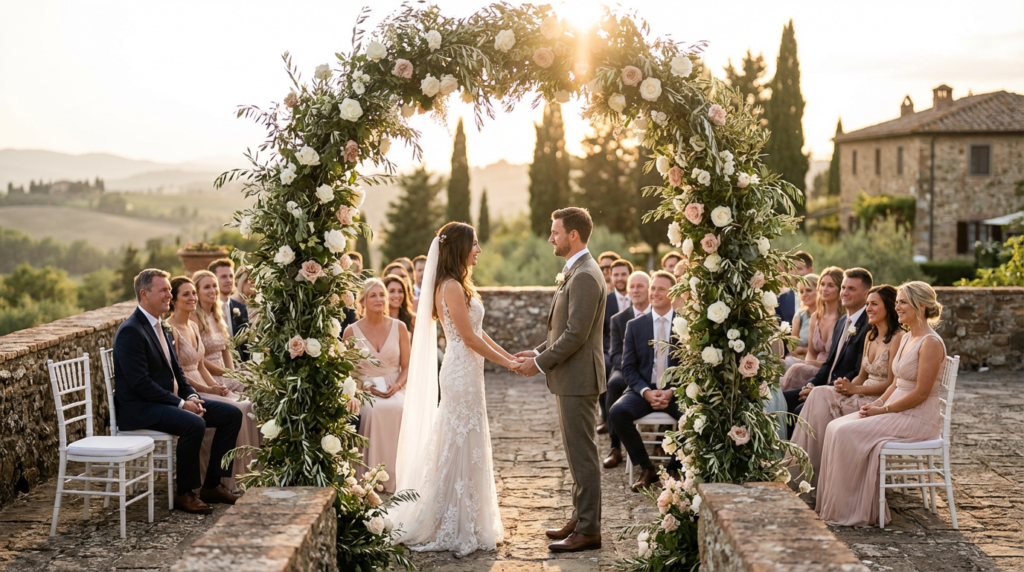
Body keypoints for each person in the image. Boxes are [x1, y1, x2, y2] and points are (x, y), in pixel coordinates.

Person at [391, 222, 516, 557]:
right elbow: (470, 338)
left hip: (470, 371)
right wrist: (507, 365)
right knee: (457, 440)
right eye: (474, 244)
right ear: (460, 247)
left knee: (469, 440)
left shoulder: (460, 284)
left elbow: (478, 331)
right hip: (460, 372)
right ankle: (447, 519)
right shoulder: (449, 287)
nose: (478, 249)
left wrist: (509, 356)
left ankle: (469, 518)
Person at [510, 208, 606, 552]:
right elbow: (561, 329)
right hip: (571, 377)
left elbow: (576, 335)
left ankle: (590, 530)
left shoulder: (584, 275)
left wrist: (538, 364)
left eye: (555, 232)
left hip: (579, 379)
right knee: (576, 452)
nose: (551, 238)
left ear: (573, 235)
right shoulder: (578, 270)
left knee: (583, 455)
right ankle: (581, 518)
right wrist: (534, 352)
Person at [816, 282, 946, 527]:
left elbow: (920, 393)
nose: (897, 307)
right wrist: (875, 404)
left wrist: (883, 410)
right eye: (896, 301)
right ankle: (834, 504)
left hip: (917, 417)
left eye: (902, 302)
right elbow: (895, 384)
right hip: (896, 407)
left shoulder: (930, 342)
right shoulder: (908, 337)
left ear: (922, 306)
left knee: (845, 432)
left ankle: (851, 509)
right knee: (835, 427)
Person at [112, 269, 241, 514]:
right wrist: (181, 405)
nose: (169, 295)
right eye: (163, 290)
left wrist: (191, 395)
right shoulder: (131, 331)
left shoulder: (164, 327)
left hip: (167, 401)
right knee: (193, 423)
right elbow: (141, 384)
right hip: (140, 408)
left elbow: (178, 373)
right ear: (144, 294)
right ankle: (184, 492)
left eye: (169, 290)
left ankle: (212, 485)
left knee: (231, 414)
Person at [789, 285, 903, 490]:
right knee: (819, 393)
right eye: (867, 304)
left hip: (878, 399)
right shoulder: (871, 335)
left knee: (819, 401)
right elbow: (861, 376)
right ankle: (806, 471)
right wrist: (846, 385)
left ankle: (822, 477)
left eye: (874, 304)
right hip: (859, 392)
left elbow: (890, 384)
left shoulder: (898, 337)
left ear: (889, 307)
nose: (868, 308)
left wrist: (855, 390)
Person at [167, 276, 260, 491]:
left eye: (192, 293)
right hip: (188, 390)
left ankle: (247, 473)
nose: (192, 298)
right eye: (186, 294)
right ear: (174, 299)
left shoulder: (191, 325)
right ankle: (223, 480)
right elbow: (177, 372)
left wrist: (217, 387)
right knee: (240, 408)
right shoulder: (171, 328)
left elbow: (200, 365)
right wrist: (208, 389)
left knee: (249, 403)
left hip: (204, 383)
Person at [609, 271, 682, 492]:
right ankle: (647, 467)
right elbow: (628, 367)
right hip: (643, 389)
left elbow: (691, 368)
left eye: (661, 289)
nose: (655, 293)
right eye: (653, 288)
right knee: (616, 412)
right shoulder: (635, 325)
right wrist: (645, 392)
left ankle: (673, 468)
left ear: (673, 293)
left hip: (675, 392)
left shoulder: (685, 325)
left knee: (696, 416)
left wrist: (672, 391)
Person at [345, 278, 409, 494]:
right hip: (366, 390)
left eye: (382, 294)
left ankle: (401, 475)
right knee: (373, 410)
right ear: (362, 301)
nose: (380, 299)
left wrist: (397, 385)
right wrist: (362, 387)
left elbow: (408, 367)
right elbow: (346, 374)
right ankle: (371, 477)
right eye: (373, 295)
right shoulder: (350, 332)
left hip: (396, 387)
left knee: (401, 408)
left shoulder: (399, 327)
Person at [782, 268, 873, 417]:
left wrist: (821, 390)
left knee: (799, 410)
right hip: (824, 383)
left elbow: (857, 372)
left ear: (865, 294)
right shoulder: (842, 321)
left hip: (842, 389)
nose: (845, 293)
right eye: (844, 288)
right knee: (781, 399)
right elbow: (829, 364)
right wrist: (811, 384)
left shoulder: (868, 325)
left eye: (851, 289)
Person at [602, 271, 653, 469]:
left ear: (648, 289)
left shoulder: (657, 316)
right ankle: (615, 446)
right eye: (632, 287)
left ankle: (663, 445)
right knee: (614, 383)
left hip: (652, 373)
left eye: (640, 286)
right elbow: (614, 354)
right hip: (626, 370)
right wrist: (631, 369)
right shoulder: (618, 319)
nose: (635, 290)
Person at [780, 267, 843, 391]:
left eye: (830, 285)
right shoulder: (816, 317)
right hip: (812, 365)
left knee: (796, 368)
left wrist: (806, 364)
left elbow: (837, 360)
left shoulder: (843, 319)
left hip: (831, 369)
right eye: (822, 284)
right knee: (784, 365)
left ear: (840, 289)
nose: (824, 289)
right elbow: (811, 352)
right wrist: (808, 363)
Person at [191, 270, 246, 394]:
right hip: (208, 376)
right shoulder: (194, 318)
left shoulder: (217, 315)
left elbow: (225, 350)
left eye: (214, 286)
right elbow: (198, 360)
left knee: (253, 377)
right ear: (197, 293)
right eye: (206, 287)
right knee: (250, 383)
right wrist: (228, 374)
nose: (212, 290)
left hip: (224, 372)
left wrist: (233, 373)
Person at [598, 258, 633, 434]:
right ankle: (606, 418)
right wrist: (610, 350)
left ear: (630, 275)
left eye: (623, 274)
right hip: (610, 349)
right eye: (616, 275)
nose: (620, 278)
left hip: (636, 352)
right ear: (610, 277)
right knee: (604, 365)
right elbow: (602, 332)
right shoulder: (604, 301)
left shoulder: (640, 298)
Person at [784, 273, 819, 366]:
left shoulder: (828, 315)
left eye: (808, 290)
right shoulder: (800, 315)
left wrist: (803, 350)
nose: (804, 295)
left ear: (819, 291)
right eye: (801, 291)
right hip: (800, 359)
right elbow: (792, 346)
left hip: (819, 360)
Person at [228, 266, 253, 361]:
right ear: (241, 281)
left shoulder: (258, 306)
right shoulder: (229, 304)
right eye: (251, 280)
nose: (254, 284)